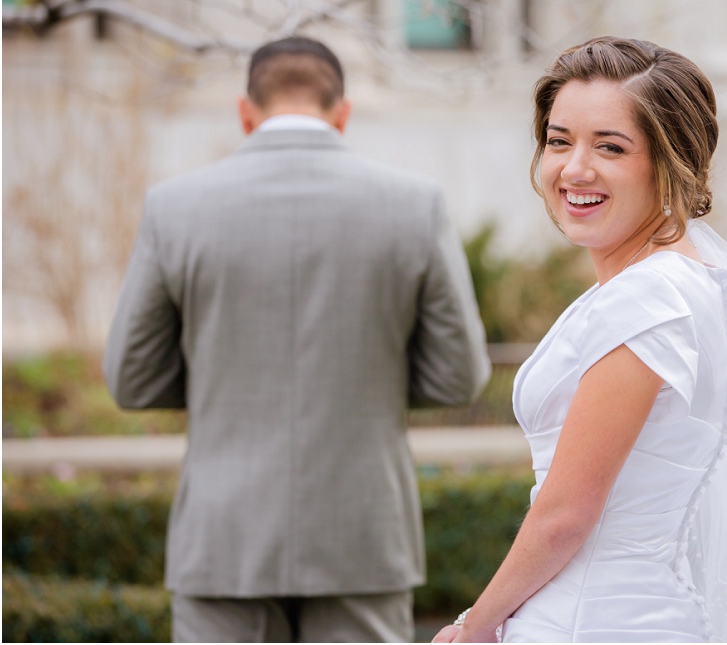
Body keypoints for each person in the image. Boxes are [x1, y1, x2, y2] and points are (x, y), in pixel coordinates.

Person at [435, 36, 727, 643]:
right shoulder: (692, 277)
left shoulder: (648, 298)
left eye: (610, 147)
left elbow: (565, 516)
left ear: (669, 162)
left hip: (593, 622)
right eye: (559, 140)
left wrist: (474, 626)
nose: (574, 169)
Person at [104, 35, 491, 643]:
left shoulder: (174, 207)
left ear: (245, 112)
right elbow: (459, 375)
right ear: (343, 113)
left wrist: (216, 374)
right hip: (361, 535)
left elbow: (133, 379)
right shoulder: (414, 204)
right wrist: (373, 376)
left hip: (222, 536)